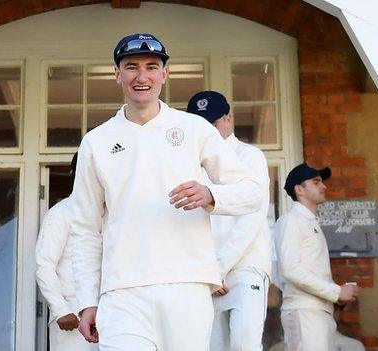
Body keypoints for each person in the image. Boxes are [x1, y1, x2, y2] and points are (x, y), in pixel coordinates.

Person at [69, 33, 262, 350]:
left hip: (186, 284)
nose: (141, 76)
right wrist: (88, 299)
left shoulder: (194, 128)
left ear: (164, 74)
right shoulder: (97, 141)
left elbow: (252, 192)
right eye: (131, 67)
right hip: (121, 290)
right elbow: (85, 227)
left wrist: (211, 195)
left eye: (151, 66)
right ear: (117, 75)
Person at [187, 91, 272, 351]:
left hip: (245, 267)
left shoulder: (250, 156)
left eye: (212, 124)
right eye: (201, 125)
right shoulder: (191, 165)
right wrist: (206, 272)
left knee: (244, 346)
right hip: (208, 276)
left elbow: (251, 218)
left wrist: (218, 268)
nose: (208, 131)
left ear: (228, 120)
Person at [275, 163, 359, 351]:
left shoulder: (309, 222)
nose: (324, 186)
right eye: (316, 182)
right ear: (299, 189)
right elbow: (291, 270)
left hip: (319, 312)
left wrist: (336, 296)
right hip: (304, 311)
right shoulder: (291, 220)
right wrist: (337, 292)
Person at [35, 153, 98, 351]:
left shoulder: (109, 213)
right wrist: (61, 310)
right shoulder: (61, 213)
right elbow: (44, 265)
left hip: (109, 316)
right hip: (73, 317)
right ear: (74, 174)